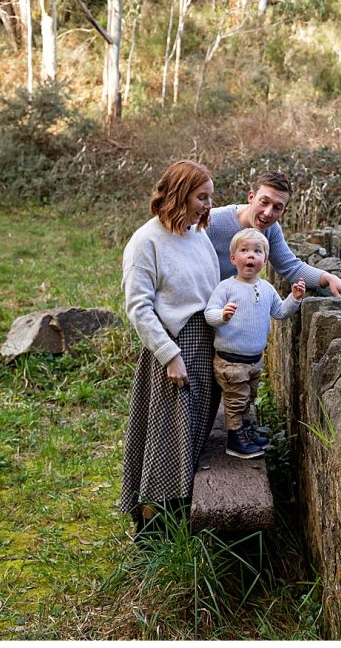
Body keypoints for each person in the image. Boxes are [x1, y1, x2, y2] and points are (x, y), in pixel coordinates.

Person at [121, 159, 221, 537]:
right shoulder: (146, 242)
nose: (208, 205)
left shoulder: (197, 235)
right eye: (201, 197)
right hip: (174, 352)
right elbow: (139, 307)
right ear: (180, 194)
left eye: (210, 197)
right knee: (166, 440)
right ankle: (152, 534)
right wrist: (170, 355)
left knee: (192, 436)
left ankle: (180, 526)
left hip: (204, 344)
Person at [205, 228, 305, 459]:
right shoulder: (226, 287)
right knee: (236, 400)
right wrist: (223, 315)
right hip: (231, 361)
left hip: (254, 361)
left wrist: (295, 298)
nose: (251, 256)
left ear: (265, 260)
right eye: (244, 251)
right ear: (233, 258)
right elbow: (209, 314)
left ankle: (244, 430)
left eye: (257, 251)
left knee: (248, 397)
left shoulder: (267, 289)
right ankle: (234, 438)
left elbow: (279, 312)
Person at [207, 170, 341, 301]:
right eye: (264, 202)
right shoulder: (211, 222)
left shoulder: (271, 230)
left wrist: (328, 278)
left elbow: (291, 267)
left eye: (277, 208)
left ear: (283, 212)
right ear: (251, 197)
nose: (268, 213)